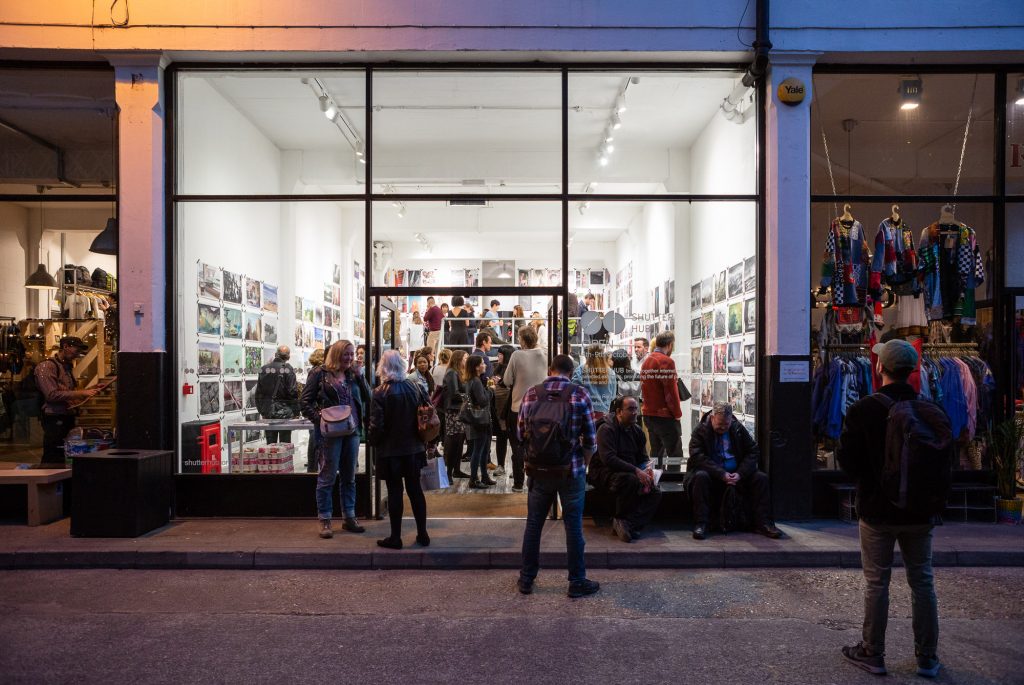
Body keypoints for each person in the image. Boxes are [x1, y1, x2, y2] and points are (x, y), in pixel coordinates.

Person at [836, 339, 944, 679]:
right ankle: (927, 658)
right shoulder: (929, 408)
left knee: (877, 583)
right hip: (919, 511)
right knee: (922, 582)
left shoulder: (865, 409)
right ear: (912, 371)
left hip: (878, 511)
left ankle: (873, 652)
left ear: (880, 367)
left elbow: (848, 462)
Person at [517, 354, 599, 598]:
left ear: (550, 369)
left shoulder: (532, 393)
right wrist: (582, 463)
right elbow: (591, 440)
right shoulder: (580, 394)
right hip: (570, 470)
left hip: (539, 471)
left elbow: (520, 434)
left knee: (533, 525)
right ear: (571, 372)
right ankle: (576, 581)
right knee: (573, 527)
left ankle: (526, 579)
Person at [300, 339, 371, 539]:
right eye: (346, 354)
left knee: (349, 476)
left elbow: (368, 398)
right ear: (337, 354)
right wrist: (320, 419)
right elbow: (305, 402)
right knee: (327, 477)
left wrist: (361, 376)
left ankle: (349, 517)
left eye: (352, 354)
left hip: (352, 431)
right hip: (330, 434)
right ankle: (325, 519)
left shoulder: (352, 374)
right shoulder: (319, 374)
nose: (350, 358)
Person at [687, 402, 782, 540]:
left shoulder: (737, 428)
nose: (723, 428)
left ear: (731, 419)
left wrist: (740, 473)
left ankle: (764, 523)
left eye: (727, 424)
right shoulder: (700, 432)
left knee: (761, 478)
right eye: (720, 425)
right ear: (712, 418)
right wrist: (722, 474)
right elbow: (697, 457)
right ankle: (701, 523)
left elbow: (753, 451)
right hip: (713, 474)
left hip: (737, 473)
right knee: (700, 477)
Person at [368, 349, 430, 549]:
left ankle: (396, 537)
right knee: (415, 490)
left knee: (395, 492)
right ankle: (422, 534)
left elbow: (377, 425)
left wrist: (372, 441)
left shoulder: (379, 392)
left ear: (383, 368)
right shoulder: (415, 387)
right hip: (413, 448)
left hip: (391, 450)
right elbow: (426, 413)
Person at [589, 395, 661, 542]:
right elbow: (608, 459)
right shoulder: (606, 429)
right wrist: (636, 471)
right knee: (630, 480)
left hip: (628, 471)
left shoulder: (638, 432)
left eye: (636, 409)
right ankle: (623, 521)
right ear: (619, 412)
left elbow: (642, 458)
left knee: (655, 491)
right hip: (603, 472)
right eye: (630, 409)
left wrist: (648, 470)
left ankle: (627, 523)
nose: (635, 412)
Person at [35, 336, 96, 465]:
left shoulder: (66, 367)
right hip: (54, 418)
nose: (77, 354)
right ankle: (48, 482)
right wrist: (81, 393)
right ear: (66, 346)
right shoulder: (46, 366)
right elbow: (51, 395)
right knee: (53, 455)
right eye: (76, 350)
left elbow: (67, 391)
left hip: (66, 416)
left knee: (65, 455)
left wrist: (86, 392)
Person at [503, 325, 549, 492]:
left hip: (518, 407)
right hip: (541, 408)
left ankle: (518, 483)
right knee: (539, 445)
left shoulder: (517, 355)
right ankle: (537, 480)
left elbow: (507, 380)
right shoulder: (544, 354)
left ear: (522, 339)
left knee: (517, 447)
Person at [639, 331, 683, 469]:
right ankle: (673, 481)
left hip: (649, 414)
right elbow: (670, 392)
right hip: (665, 416)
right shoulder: (666, 361)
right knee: (674, 454)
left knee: (656, 453)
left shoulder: (647, 360)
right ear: (670, 345)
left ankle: (657, 481)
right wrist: (677, 414)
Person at [255, 345, 299, 444]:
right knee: (285, 446)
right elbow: (293, 392)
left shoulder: (264, 368)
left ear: (276, 354)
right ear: (288, 357)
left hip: (268, 412)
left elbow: (259, 393)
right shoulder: (288, 369)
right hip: (285, 412)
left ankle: (270, 460)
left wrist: (262, 411)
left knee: (270, 446)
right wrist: (296, 412)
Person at [463, 355, 495, 489]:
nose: (485, 365)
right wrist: (490, 390)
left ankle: (484, 477)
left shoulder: (471, 380)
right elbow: (482, 401)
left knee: (483, 449)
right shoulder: (475, 381)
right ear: (477, 367)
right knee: (479, 450)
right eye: (482, 363)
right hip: (481, 420)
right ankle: (474, 479)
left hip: (477, 420)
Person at [442, 349, 470, 480]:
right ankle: (449, 473)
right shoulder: (451, 373)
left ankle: (456, 470)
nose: (467, 360)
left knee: (459, 442)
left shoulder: (458, 373)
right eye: (465, 358)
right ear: (458, 359)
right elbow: (454, 393)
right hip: (453, 411)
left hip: (459, 410)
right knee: (453, 442)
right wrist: (468, 398)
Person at [571, 343, 617, 421]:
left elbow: (574, 391)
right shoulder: (611, 372)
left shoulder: (580, 370)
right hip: (604, 416)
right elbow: (612, 396)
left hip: (585, 414)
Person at [491, 344, 516, 477]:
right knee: (501, 437)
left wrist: (500, 383)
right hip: (498, 407)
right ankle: (501, 465)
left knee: (513, 439)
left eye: (500, 354)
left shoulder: (513, 369)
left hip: (510, 407)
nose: (498, 356)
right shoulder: (497, 367)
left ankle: (517, 467)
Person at [304, 348, 325, 473]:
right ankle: (312, 469)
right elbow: (307, 398)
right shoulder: (317, 373)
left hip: (316, 412)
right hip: (317, 413)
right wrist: (317, 417)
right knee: (315, 441)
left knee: (314, 440)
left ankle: (312, 468)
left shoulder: (313, 371)